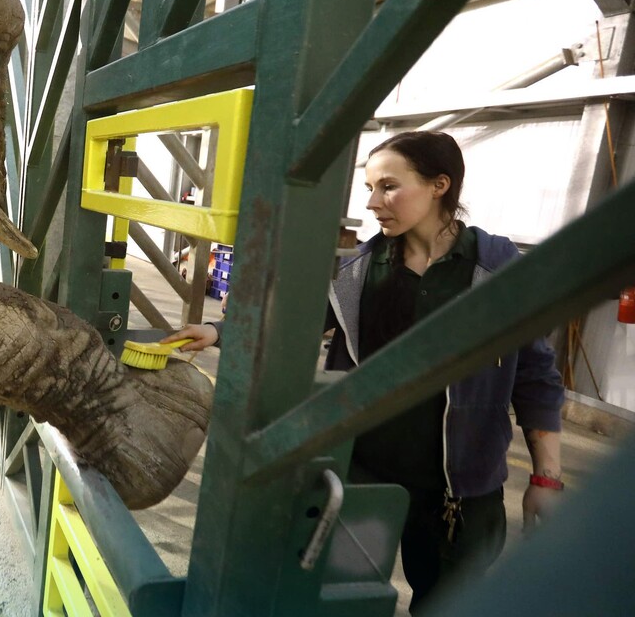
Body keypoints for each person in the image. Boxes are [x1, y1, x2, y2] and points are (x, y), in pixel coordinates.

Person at [162, 131, 565, 613]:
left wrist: (545, 481)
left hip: (460, 492)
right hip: (360, 478)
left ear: (440, 185)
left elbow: (536, 378)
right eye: (369, 188)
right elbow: (296, 323)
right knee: (340, 602)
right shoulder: (359, 270)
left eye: (389, 187)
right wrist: (220, 331)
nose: (373, 203)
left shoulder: (495, 269)